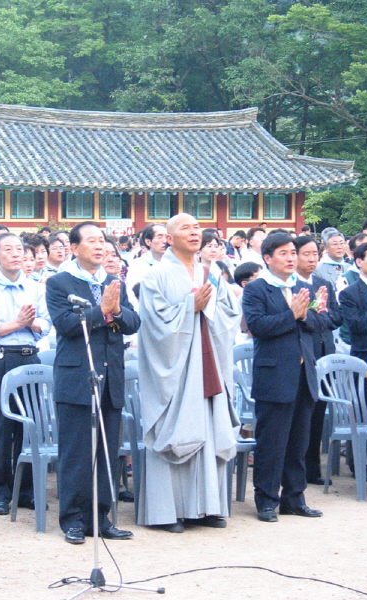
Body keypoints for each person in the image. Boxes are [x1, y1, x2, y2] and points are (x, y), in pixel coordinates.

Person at [137, 213, 241, 532]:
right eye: (185, 228)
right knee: (178, 428)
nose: (194, 232)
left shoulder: (211, 273)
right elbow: (153, 326)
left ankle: (208, 508)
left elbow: (229, 315)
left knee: (208, 429)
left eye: (197, 227)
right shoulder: (155, 276)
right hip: (175, 369)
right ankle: (169, 513)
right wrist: (188, 307)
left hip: (208, 363)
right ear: (169, 238)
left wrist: (203, 307)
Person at [45, 221, 140, 544]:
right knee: (76, 454)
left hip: (111, 377)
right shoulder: (59, 282)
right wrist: (102, 311)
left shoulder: (115, 282)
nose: (100, 246)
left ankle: (101, 518)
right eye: (92, 241)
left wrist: (114, 312)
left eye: (103, 241)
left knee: (106, 452)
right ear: (74, 248)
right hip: (77, 377)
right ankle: (73, 519)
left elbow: (133, 322)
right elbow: (67, 325)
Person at [242, 232, 329, 522]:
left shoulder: (303, 287)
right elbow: (258, 326)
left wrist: (305, 315)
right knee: (272, 442)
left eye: (293, 252)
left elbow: (319, 324)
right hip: (274, 375)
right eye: (284, 253)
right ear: (267, 258)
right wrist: (292, 315)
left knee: (299, 442)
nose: (291, 257)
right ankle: (267, 500)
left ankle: (294, 498)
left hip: (305, 374)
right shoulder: (257, 289)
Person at [0, 233, 52, 516]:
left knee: (29, 427)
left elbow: (47, 323)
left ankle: (25, 490)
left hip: (30, 358)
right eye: (9, 249)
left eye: (20, 249)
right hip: (0, 359)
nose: (16, 254)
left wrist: (29, 325)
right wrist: (18, 322)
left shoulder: (35, 287)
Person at [295, 236, 343, 485]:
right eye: (306, 254)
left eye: (315, 253)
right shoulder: (292, 285)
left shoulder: (324, 283)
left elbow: (336, 317)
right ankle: (296, 467)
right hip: (304, 356)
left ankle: (313, 467)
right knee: (302, 414)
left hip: (325, 353)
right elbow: (303, 319)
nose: (312, 258)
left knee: (318, 413)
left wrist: (313, 316)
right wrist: (315, 313)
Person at [126, 223, 167, 306]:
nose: (165, 241)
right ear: (148, 241)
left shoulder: (174, 263)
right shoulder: (138, 265)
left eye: (166, 237)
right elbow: (133, 294)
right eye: (160, 237)